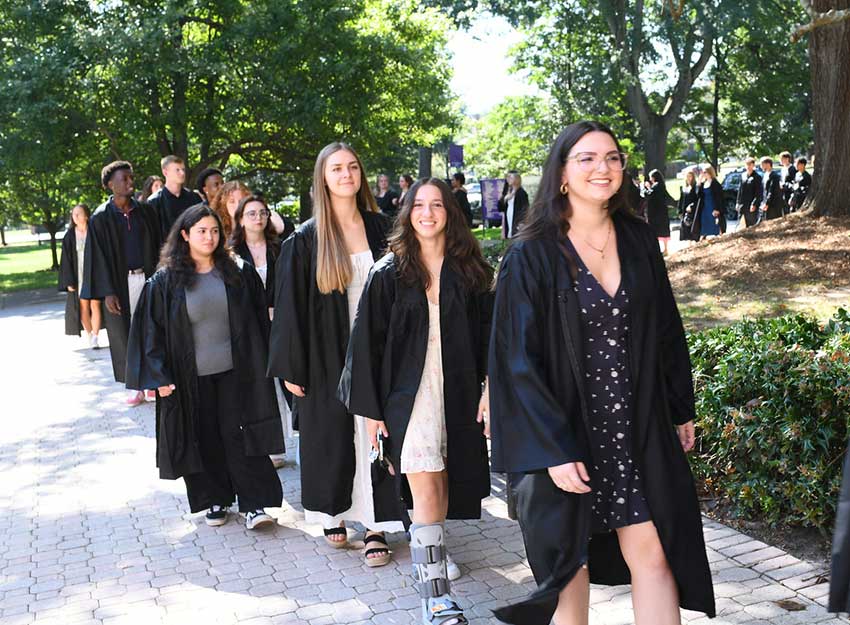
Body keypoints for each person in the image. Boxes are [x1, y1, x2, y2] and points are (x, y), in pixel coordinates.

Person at [488, 120, 715, 625]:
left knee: (654, 557)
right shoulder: (532, 253)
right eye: (587, 158)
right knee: (569, 572)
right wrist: (552, 449)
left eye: (612, 158)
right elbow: (517, 361)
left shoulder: (636, 238)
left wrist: (680, 407)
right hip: (568, 433)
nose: (603, 168)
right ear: (562, 174)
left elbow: (665, 329)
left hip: (636, 425)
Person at [341, 178, 493, 625]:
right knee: (424, 481)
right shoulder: (389, 272)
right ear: (407, 213)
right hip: (409, 396)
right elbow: (364, 343)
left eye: (437, 205)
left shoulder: (471, 270)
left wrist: (491, 388)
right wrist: (370, 411)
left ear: (451, 212)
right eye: (418, 205)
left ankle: (433, 550)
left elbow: (493, 338)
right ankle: (436, 599)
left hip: (459, 390)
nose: (427, 213)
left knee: (442, 481)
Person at [268, 142, 404, 565]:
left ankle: (377, 525)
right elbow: (289, 309)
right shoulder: (306, 239)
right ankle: (337, 510)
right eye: (336, 169)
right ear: (322, 179)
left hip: (379, 351)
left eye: (352, 167)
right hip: (328, 353)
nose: (346, 174)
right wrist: (292, 365)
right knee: (333, 437)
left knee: (375, 435)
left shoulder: (384, 229)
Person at [126, 205, 283, 529]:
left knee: (240, 436)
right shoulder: (165, 282)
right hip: (190, 378)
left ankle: (254, 504)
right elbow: (150, 331)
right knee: (204, 437)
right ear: (184, 235)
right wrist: (157, 375)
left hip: (237, 373)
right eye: (201, 231)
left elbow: (259, 322)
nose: (209, 237)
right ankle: (216, 499)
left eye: (214, 231)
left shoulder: (238, 271)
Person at [81, 161, 161, 405]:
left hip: (146, 278)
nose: (130, 182)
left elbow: (159, 246)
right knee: (123, 333)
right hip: (119, 283)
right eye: (124, 179)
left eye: (131, 177)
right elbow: (98, 258)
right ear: (109, 184)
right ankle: (133, 385)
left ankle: (151, 382)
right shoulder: (100, 218)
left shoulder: (146, 212)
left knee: (151, 328)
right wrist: (107, 292)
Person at [59, 203, 102, 348]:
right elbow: (66, 260)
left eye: (79, 213)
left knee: (95, 304)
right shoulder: (70, 235)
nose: (76, 216)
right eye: (74, 214)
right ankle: (89, 334)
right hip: (79, 274)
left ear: (86, 215)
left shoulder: (94, 231)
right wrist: (69, 281)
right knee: (83, 306)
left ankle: (96, 336)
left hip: (94, 273)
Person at [148, 155, 203, 240]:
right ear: (165, 172)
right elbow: (152, 235)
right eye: (177, 170)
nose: (182, 173)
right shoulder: (154, 202)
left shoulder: (194, 198)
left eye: (183, 169)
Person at [643, 169, 672, 253]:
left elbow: (649, 195)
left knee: (656, 230)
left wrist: (647, 187)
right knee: (664, 230)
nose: (650, 179)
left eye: (650, 177)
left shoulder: (655, 186)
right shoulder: (662, 185)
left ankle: (659, 250)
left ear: (653, 177)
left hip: (655, 212)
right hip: (662, 211)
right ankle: (666, 249)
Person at [692, 166, 725, 240]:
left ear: (710, 173)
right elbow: (698, 195)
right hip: (705, 207)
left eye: (705, 172)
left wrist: (717, 209)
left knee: (714, 225)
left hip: (713, 207)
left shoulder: (715, 183)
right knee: (705, 224)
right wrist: (699, 183)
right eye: (702, 172)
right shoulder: (704, 183)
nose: (703, 174)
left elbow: (719, 198)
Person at [499, 172, 530, 239]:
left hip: (517, 217)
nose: (508, 179)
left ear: (516, 179)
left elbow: (525, 208)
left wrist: (522, 221)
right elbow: (500, 207)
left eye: (511, 178)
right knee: (510, 234)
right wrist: (504, 199)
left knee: (516, 235)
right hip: (509, 215)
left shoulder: (521, 193)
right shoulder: (508, 191)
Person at [735, 157, 763, 227]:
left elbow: (758, 193)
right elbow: (740, 190)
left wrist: (754, 204)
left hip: (751, 203)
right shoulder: (743, 175)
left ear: (753, 165)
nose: (748, 166)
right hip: (743, 203)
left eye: (750, 165)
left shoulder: (757, 177)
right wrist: (738, 202)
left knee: (751, 224)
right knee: (741, 223)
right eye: (747, 165)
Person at [677, 170, 698, 242]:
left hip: (691, 211)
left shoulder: (695, 187)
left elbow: (697, 199)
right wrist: (679, 211)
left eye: (690, 176)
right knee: (684, 228)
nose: (689, 178)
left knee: (691, 227)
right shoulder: (684, 187)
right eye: (687, 176)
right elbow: (681, 200)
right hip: (684, 210)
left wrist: (692, 206)